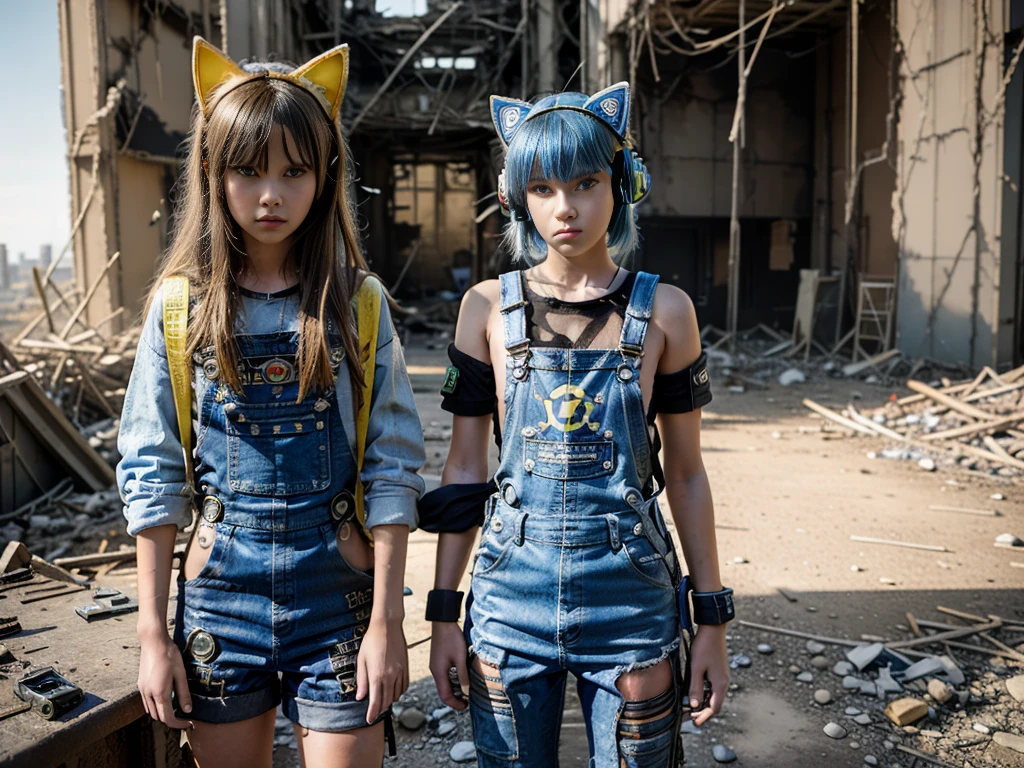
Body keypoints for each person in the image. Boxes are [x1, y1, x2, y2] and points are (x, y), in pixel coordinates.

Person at [116, 37, 424, 767]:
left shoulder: (359, 304)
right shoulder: (178, 310)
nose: (270, 194)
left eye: (294, 172)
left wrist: (387, 622)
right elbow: (152, 478)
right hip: (222, 600)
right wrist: (154, 636)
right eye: (248, 171)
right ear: (212, 174)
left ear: (325, 176)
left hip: (339, 604)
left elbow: (393, 469)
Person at [423, 83, 733, 767]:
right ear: (515, 198)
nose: (565, 207)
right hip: (509, 593)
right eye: (542, 188)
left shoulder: (669, 312)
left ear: (622, 184)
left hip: (632, 594)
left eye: (586, 182)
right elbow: (466, 469)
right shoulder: (483, 309)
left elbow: (684, 473)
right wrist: (444, 611)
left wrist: (710, 619)